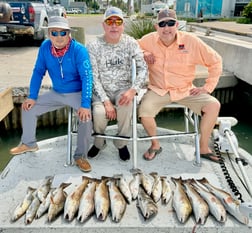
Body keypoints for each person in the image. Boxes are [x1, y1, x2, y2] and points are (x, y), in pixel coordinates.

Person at [9, 16, 93, 172]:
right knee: (28, 108)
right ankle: (29, 143)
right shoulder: (45, 47)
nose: (59, 37)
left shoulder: (79, 50)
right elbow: (38, 71)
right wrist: (32, 96)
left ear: (69, 34)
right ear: (49, 34)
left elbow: (87, 78)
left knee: (86, 118)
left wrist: (85, 104)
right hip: (57, 93)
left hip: (77, 93)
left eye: (63, 33)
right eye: (54, 33)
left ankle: (80, 156)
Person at [138, 9, 222, 162]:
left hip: (185, 89)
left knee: (213, 105)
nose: (166, 28)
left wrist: (207, 88)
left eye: (170, 23)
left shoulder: (192, 41)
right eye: (162, 24)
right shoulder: (148, 40)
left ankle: (203, 148)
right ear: (156, 27)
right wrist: (143, 52)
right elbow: (133, 47)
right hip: (159, 89)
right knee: (144, 112)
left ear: (176, 24)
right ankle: (155, 145)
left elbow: (216, 61)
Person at [86, 6, 148, 161]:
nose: (114, 25)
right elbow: (93, 77)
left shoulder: (131, 43)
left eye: (118, 21)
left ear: (123, 25)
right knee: (99, 113)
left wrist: (133, 90)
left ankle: (121, 143)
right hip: (101, 92)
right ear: (104, 25)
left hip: (123, 89)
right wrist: (106, 101)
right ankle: (99, 143)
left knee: (127, 105)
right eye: (109, 21)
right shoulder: (93, 46)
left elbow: (143, 68)